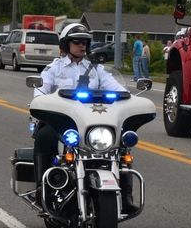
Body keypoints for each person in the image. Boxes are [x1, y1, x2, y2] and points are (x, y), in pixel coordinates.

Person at [32, 23, 126, 193]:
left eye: (85, 42)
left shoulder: (97, 69)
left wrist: (127, 96)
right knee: (44, 137)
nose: (82, 45)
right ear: (65, 44)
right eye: (77, 42)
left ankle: (125, 194)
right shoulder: (54, 68)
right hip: (61, 121)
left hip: (93, 121)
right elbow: (40, 91)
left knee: (122, 144)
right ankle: (42, 187)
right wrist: (40, 100)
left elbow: (117, 88)